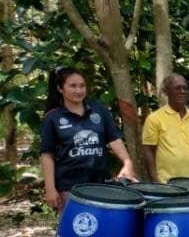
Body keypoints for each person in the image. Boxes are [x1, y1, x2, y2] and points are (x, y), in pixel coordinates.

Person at [39, 68, 137, 212]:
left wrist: (127, 163)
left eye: (82, 85)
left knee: (103, 227)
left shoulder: (99, 110)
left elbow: (114, 139)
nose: (78, 90)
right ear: (60, 88)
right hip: (69, 186)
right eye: (73, 86)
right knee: (79, 229)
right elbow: (47, 155)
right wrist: (50, 188)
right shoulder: (52, 118)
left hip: (101, 183)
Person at [142, 73, 189, 183]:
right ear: (166, 92)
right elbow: (148, 151)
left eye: (185, 88)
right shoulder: (154, 119)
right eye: (177, 88)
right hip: (168, 183)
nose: (182, 91)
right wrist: (155, 181)